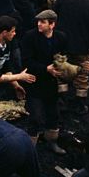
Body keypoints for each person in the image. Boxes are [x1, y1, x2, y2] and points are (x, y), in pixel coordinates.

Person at [20, 10, 68, 153]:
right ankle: (29, 147)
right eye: (38, 22)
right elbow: (27, 61)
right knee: (35, 115)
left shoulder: (61, 38)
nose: (39, 24)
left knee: (53, 113)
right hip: (35, 81)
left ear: (52, 24)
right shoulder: (30, 37)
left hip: (52, 83)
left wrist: (60, 67)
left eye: (43, 22)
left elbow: (64, 57)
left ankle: (52, 141)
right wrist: (46, 69)